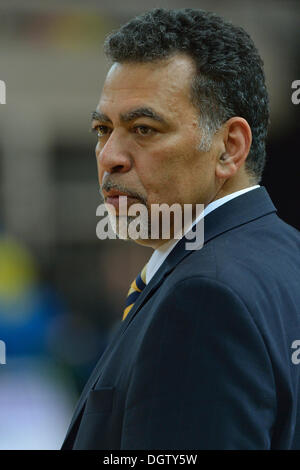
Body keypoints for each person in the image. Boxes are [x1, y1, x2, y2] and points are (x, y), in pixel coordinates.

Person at [61, 8, 300, 449]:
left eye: (144, 129)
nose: (109, 155)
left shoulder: (203, 299)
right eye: (102, 129)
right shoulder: (285, 255)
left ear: (230, 149)